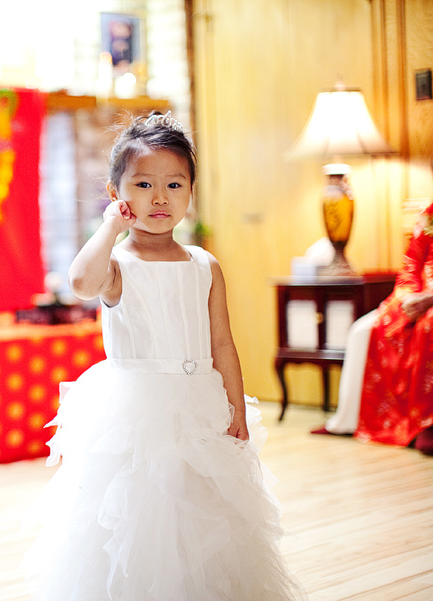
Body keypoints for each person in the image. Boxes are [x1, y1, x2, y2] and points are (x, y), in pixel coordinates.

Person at [22, 112, 303, 600]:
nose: (159, 198)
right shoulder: (116, 265)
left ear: (190, 192)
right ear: (117, 194)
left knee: (205, 511)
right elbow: (81, 283)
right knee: (144, 512)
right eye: (143, 184)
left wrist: (234, 406)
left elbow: (221, 344)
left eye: (174, 184)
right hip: (137, 409)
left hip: (200, 403)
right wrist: (110, 229)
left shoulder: (204, 264)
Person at [318, 200, 433, 456]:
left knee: (429, 324)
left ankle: (426, 422)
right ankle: (348, 421)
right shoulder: (429, 214)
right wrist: (408, 297)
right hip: (419, 295)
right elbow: (411, 263)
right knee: (362, 329)